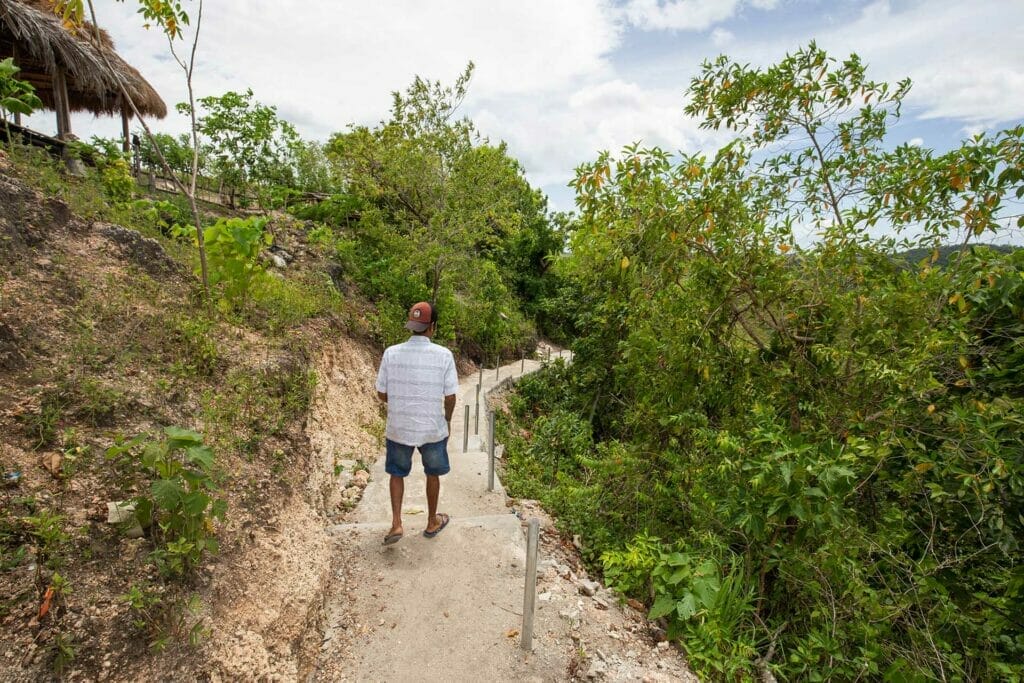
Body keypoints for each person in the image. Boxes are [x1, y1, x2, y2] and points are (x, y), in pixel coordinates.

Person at [375, 301, 458, 545]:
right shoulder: (444, 355)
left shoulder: (391, 353)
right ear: (432, 327)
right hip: (432, 428)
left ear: (411, 326)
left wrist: (399, 398)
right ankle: (432, 521)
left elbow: (381, 393)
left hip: (399, 428)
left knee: (396, 473)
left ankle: (397, 524)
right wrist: (448, 421)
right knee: (432, 474)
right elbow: (451, 396)